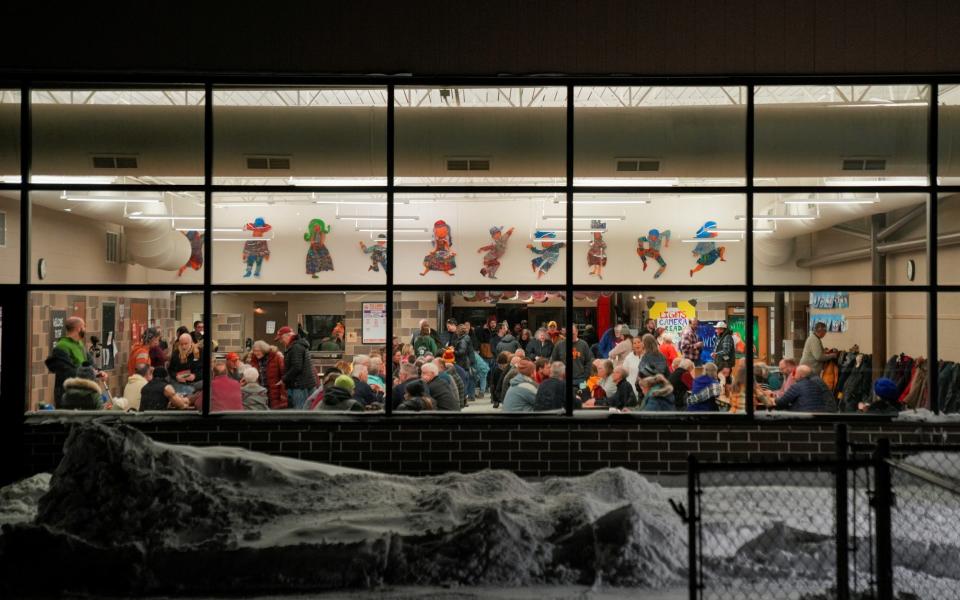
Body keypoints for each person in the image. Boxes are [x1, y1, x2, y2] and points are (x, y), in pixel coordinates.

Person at [45, 316, 99, 405]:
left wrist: (98, 372)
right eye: (84, 327)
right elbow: (68, 371)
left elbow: (89, 362)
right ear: (79, 328)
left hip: (83, 390)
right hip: (68, 393)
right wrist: (89, 373)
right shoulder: (62, 346)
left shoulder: (80, 344)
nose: (85, 329)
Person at [276, 325, 317, 409]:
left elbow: (297, 367)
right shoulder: (299, 345)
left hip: (299, 386)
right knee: (309, 410)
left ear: (288, 336)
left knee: (300, 412)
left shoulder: (295, 347)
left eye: (281, 338)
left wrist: (284, 379)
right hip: (305, 384)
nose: (281, 341)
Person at [551, 324, 593, 388]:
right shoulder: (559, 345)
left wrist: (585, 376)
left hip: (581, 380)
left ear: (577, 332)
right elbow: (553, 361)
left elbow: (589, 361)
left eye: (572, 334)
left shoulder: (584, 344)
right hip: (564, 380)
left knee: (582, 394)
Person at [249, 340, 287, 409]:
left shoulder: (276, 357)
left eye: (258, 351)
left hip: (275, 391)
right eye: (254, 351)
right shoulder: (254, 359)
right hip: (261, 391)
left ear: (264, 350)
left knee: (274, 412)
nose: (256, 353)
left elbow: (284, 372)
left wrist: (282, 386)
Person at [453, 323, 476, 401]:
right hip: (468, 361)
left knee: (464, 380)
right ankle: (470, 396)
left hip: (463, 362)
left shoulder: (463, 340)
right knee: (469, 378)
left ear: (459, 331)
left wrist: (453, 351)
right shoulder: (466, 338)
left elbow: (461, 352)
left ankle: (465, 398)